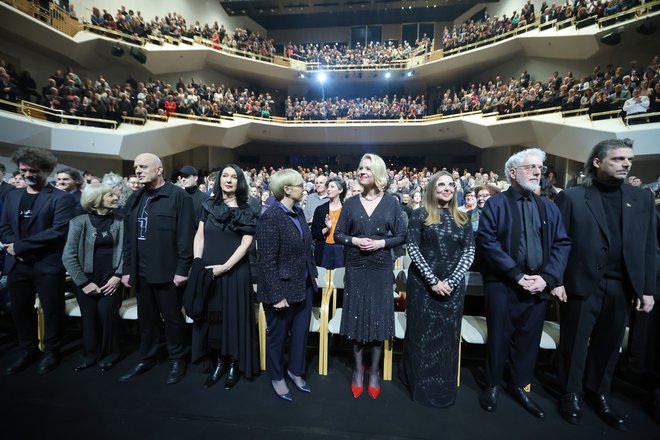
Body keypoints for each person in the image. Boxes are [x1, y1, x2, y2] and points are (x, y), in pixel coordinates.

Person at [555, 138, 656, 430]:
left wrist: (646, 288)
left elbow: (649, 246)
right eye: (618, 159)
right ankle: (570, 393)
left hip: (622, 285)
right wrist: (558, 280)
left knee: (610, 344)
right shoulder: (573, 197)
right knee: (574, 342)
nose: (626, 164)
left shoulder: (642, 199)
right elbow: (560, 244)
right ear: (598, 162)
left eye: (629, 160)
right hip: (582, 282)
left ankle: (598, 392)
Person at [475, 148, 570, 418]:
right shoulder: (496, 203)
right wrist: (516, 275)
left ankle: (519, 386)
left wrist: (547, 278)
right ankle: (492, 384)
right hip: (503, 284)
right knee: (499, 336)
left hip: (538, 285)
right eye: (530, 167)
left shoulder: (548, 206)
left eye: (540, 167)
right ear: (513, 173)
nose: (538, 172)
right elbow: (487, 242)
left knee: (528, 339)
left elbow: (562, 243)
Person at [334, 153, 407, 399]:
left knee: (377, 319)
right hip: (355, 266)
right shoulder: (351, 203)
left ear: (378, 173)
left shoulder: (392, 204)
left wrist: (380, 244)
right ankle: (357, 371)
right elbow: (338, 235)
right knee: (355, 318)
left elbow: (401, 236)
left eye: (367, 168)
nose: (362, 171)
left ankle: (374, 372)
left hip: (380, 267)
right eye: (360, 167)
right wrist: (354, 240)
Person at [401, 171, 475, 407]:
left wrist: (451, 281)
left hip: (452, 290)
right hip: (423, 286)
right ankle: (419, 385)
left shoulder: (463, 218)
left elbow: (469, 252)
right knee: (421, 336)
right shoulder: (419, 214)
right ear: (432, 189)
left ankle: (442, 386)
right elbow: (412, 248)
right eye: (441, 184)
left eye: (451, 184)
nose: (446, 188)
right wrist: (433, 280)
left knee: (447, 339)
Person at [119, 153, 194, 385]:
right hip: (140, 272)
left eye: (143, 166)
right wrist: (127, 269)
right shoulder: (135, 197)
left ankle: (177, 359)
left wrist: (182, 269)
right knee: (146, 320)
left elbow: (185, 236)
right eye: (135, 167)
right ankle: (147, 357)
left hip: (168, 272)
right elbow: (129, 237)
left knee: (172, 319)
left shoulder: (178, 196)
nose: (138, 171)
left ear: (159, 169)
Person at [1, 147, 75, 375]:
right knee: (20, 310)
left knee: (52, 310)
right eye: (23, 170)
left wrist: (20, 247)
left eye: (33, 171)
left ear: (45, 170)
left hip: (47, 264)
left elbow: (58, 231)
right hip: (17, 264)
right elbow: (4, 226)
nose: (27, 174)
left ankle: (52, 351)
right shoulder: (12, 195)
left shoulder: (61, 198)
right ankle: (28, 349)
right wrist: (14, 247)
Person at [190, 164, 258, 389]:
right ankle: (219, 362)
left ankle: (232, 365)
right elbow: (199, 235)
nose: (228, 180)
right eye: (225, 176)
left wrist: (226, 266)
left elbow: (246, 243)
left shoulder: (248, 208)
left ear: (240, 182)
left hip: (235, 271)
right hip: (208, 269)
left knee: (234, 318)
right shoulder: (207, 205)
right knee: (213, 319)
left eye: (234, 177)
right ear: (218, 180)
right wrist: (198, 262)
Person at [256, 169, 317, 402]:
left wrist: (312, 275)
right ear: (287, 189)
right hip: (280, 290)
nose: (305, 188)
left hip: (304, 286)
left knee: (300, 334)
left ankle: (295, 371)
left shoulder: (299, 212)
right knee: (278, 337)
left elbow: (306, 248)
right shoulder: (270, 216)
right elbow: (267, 261)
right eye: (300, 185)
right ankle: (277, 376)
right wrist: (276, 295)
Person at [62, 183, 124, 372]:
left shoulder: (121, 221)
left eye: (115, 195)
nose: (116, 198)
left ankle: (111, 354)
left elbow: (126, 253)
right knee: (89, 318)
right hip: (85, 279)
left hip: (111, 278)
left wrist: (118, 276)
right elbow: (68, 256)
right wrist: (83, 283)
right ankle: (91, 355)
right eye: (110, 195)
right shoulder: (78, 222)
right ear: (96, 200)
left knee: (107, 315)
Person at [311, 177, 346, 269]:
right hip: (324, 248)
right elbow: (314, 233)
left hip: (341, 249)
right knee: (323, 281)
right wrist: (327, 228)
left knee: (339, 281)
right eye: (328, 187)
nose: (328, 189)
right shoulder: (320, 209)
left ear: (340, 190)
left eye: (332, 187)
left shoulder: (347, 210)